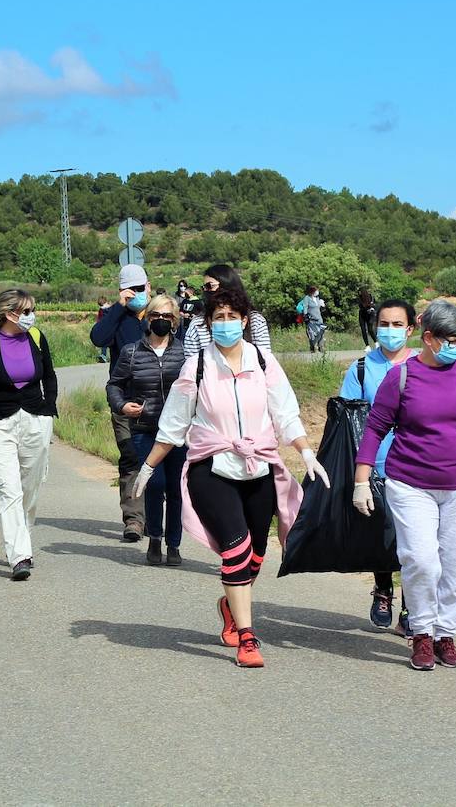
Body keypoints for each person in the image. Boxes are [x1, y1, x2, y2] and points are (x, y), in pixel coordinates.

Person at [136, 286, 329, 668]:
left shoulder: (263, 360)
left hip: (258, 466)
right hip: (212, 467)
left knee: (256, 554)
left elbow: (285, 412)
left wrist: (306, 451)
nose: (225, 324)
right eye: (218, 318)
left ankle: (230, 605)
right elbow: (175, 423)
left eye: (232, 317)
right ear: (208, 324)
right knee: (236, 549)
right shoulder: (198, 366)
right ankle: (248, 637)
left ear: (245, 321)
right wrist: (149, 465)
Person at [353, 299, 456, 671]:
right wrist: (361, 480)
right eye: (450, 340)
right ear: (429, 338)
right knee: (422, 560)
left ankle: (446, 634)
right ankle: (422, 634)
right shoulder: (402, 377)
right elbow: (376, 427)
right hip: (411, 484)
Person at [0, 289, 58, 581]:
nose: (31, 316)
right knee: (10, 489)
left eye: (32, 310)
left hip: (35, 419)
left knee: (30, 487)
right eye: (26, 310)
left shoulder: (37, 338)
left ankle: (23, 538)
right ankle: (19, 556)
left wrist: (48, 408)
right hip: (0, 423)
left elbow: (50, 376)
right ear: (10, 313)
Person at [338, 300, 417, 631]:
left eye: (397, 324)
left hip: (417, 468)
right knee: (382, 537)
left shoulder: (422, 366)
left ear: (410, 329)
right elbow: (347, 418)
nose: (389, 330)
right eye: (384, 324)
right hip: (377, 466)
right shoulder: (360, 368)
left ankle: (413, 608)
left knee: (417, 543)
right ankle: (383, 588)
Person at [106, 295, 187, 566]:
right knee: (156, 483)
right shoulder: (131, 352)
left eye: (166, 317)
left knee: (176, 488)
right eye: (155, 316)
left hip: (178, 433)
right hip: (145, 429)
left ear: (174, 321)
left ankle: (173, 544)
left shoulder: (185, 353)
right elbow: (114, 385)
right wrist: (122, 405)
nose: (161, 321)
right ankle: (154, 537)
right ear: (147, 319)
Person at [90, 263, 152, 543]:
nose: (138, 294)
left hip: (158, 400)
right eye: (132, 290)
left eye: (142, 288)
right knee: (131, 458)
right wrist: (118, 307)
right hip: (124, 401)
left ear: (149, 287)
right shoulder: (115, 318)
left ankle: (154, 516)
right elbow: (98, 339)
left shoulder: (158, 315)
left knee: (156, 458)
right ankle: (134, 520)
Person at [182, 263, 271, 354]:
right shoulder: (197, 325)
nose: (206, 291)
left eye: (209, 286)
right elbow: (190, 362)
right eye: (204, 288)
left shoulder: (255, 321)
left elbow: (265, 358)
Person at [303, 285, 326, 352]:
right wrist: (306, 316)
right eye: (316, 291)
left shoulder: (317, 299)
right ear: (312, 291)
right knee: (312, 334)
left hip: (319, 318)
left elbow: (321, 308)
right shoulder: (307, 298)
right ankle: (313, 347)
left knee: (321, 333)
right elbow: (305, 307)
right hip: (311, 319)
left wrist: (323, 306)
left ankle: (321, 347)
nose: (317, 292)